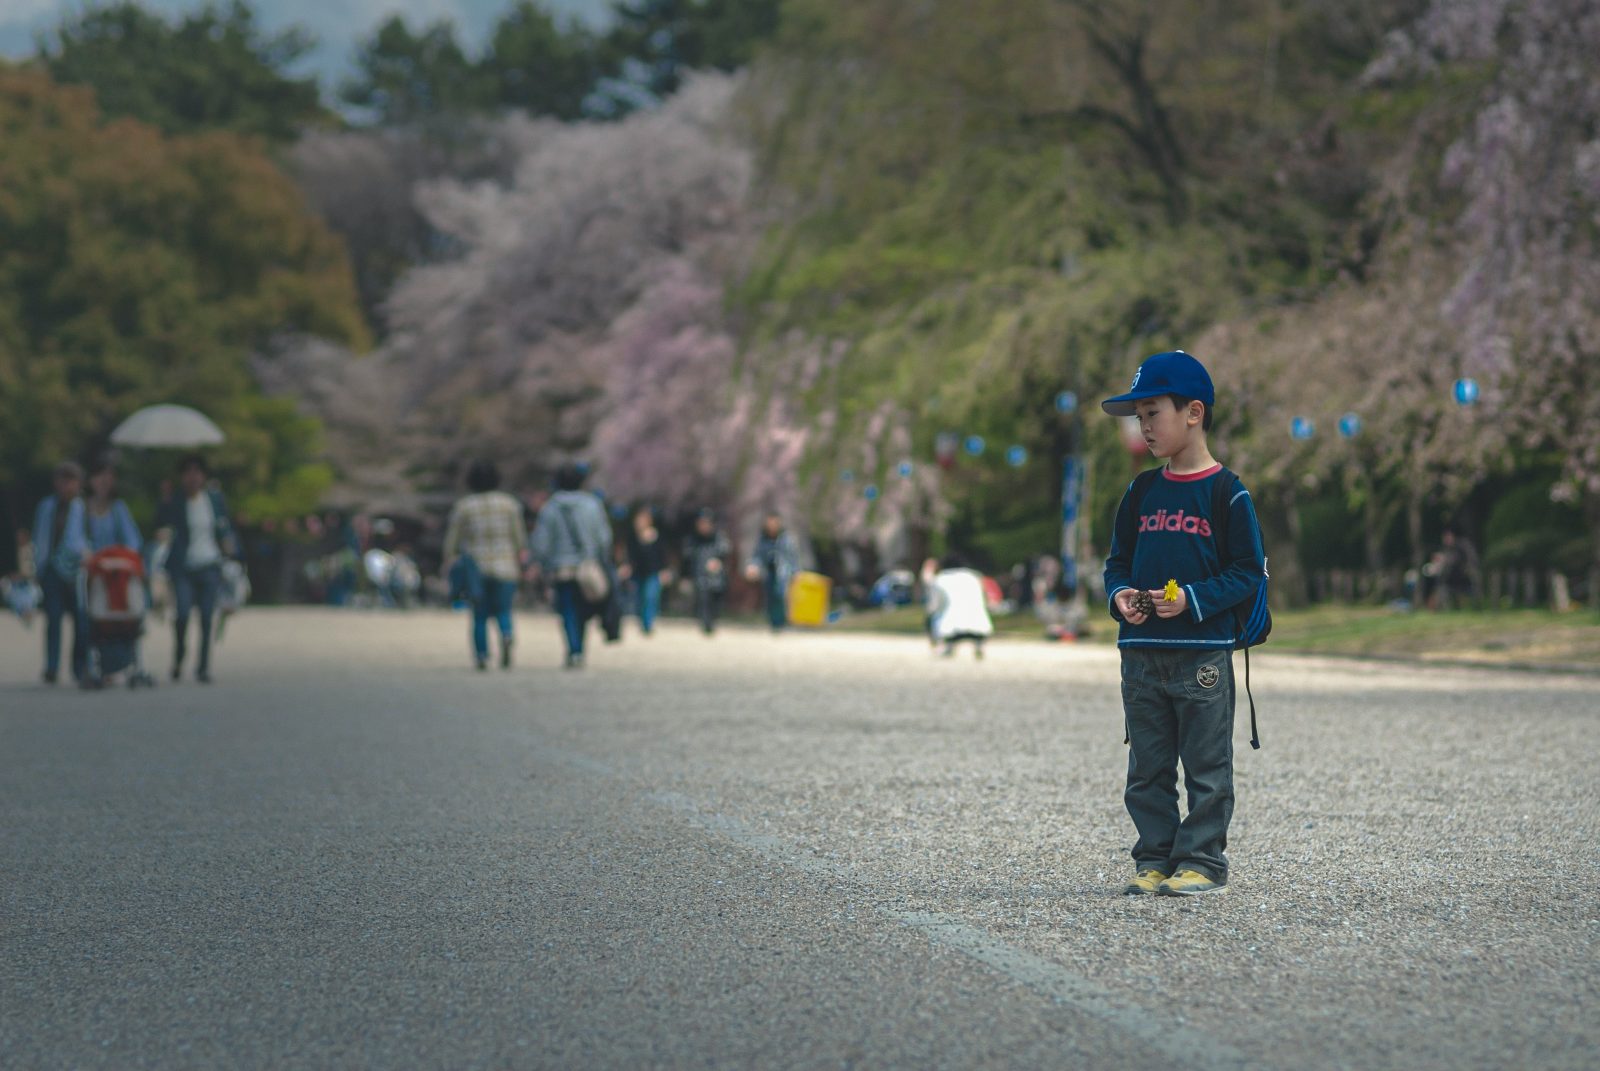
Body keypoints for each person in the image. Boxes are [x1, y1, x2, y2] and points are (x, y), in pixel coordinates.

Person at [1100, 350, 1266, 898]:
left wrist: (1192, 599)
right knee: (1146, 771)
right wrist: (1120, 594)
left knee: (1206, 768)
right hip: (1141, 655)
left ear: (1193, 413)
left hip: (1203, 657)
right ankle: (1154, 857)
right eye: (1139, 417)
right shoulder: (1141, 491)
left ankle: (1201, 860)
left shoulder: (1227, 492)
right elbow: (1117, 561)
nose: (1143, 427)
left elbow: (1248, 572)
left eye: (1153, 414)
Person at [442, 460, 527, 671]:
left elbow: (452, 540)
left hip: (476, 567)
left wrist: (449, 559)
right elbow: (519, 539)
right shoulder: (509, 505)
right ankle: (506, 634)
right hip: (506, 566)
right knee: (503, 610)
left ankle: (481, 655)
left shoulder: (464, 507)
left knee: (479, 614)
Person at [158, 455, 236, 684]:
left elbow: (224, 526)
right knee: (181, 614)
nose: (193, 477)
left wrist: (229, 546)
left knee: (205, 617)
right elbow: (161, 524)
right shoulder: (175, 499)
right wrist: (164, 499)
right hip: (183, 566)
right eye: (188, 472)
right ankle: (179, 655)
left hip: (209, 563)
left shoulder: (213, 499)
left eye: (197, 472)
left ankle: (203, 666)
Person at [529, 463, 613, 668]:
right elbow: (603, 537)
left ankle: (573, 649)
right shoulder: (592, 504)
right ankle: (579, 649)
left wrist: (541, 561)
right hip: (587, 566)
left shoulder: (550, 508)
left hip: (561, 568)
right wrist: (601, 556)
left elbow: (541, 541)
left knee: (567, 610)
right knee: (583, 610)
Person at [32, 460, 89, 684]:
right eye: (62, 480)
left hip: (77, 570)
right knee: (53, 619)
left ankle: (79, 666)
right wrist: (38, 566)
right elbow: (39, 536)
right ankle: (52, 666)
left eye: (71, 481)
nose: (66, 486)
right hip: (51, 567)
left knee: (81, 621)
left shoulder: (83, 508)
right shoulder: (47, 506)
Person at [927, 554, 994, 659]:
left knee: (933, 616)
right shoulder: (975, 577)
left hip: (951, 628)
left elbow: (934, 606)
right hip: (979, 626)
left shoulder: (941, 579)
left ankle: (946, 646)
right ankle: (979, 645)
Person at [744, 511, 800, 632]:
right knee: (770, 597)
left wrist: (796, 571)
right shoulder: (763, 539)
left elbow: (792, 556)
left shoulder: (786, 539)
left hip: (783, 572)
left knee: (781, 596)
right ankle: (774, 623)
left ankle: (782, 623)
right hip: (769, 571)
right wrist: (753, 566)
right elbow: (757, 555)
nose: (772, 525)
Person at [620, 505, 669, 636]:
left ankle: (648, 624)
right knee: (638, 599)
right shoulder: (633, 537)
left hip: (653, 573)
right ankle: (642, 621)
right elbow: (629, 555)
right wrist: (626, 566)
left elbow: (663, 555)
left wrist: (664, 570)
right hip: (637, 573)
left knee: (650, 597)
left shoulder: (657, 536)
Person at [683, 508, 730, 635]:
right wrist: (685, 577)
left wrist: (718, 561)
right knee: (703, 599)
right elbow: (686, 559)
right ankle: (705, 623)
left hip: (717, 578)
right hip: (700, 576)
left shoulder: (719, 538)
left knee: (715, 601)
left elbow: (726, 553)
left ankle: (713, 620)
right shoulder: (692, 540)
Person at [84, 457, 142, 553]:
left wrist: (123, 555)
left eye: (109, 476)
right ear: (90, 480)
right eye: (99, 475)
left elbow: (133, 540)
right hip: (87, 563)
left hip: (114, 562)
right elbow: (74, 540)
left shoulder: (118, 507)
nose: (104, 480)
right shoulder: (80, 507)